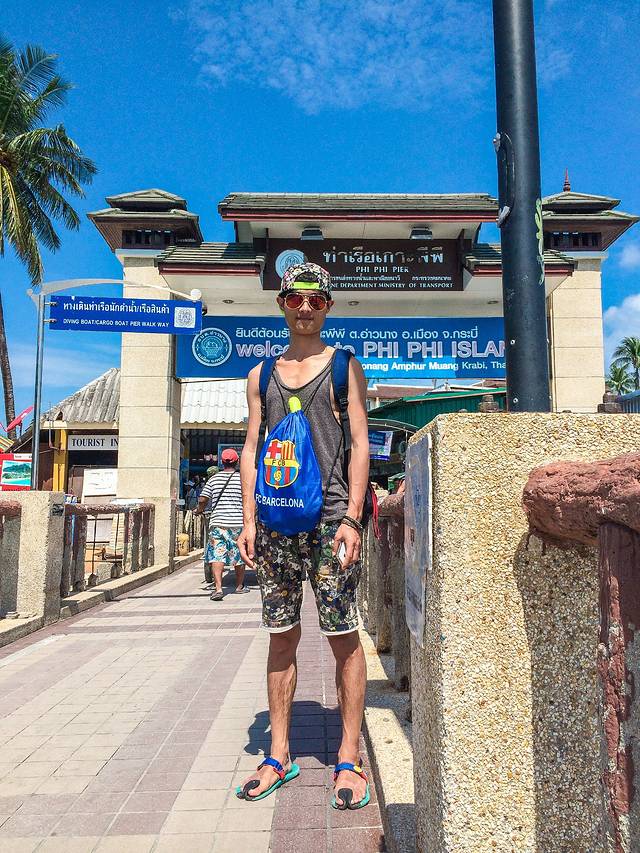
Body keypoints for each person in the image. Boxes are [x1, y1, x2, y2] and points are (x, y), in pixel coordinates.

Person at [236, 262, 370, 809]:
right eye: (296, 298)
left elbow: (360, 442)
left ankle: (348, 757)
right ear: (283, 304)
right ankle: (278, 754)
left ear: (328, 306)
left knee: (343, 637)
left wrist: (353, 517)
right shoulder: (260, 375)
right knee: (281, 636)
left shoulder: (344, 368)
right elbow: (251, 447)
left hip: (331, 522)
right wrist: (248, 519)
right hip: (276, 525)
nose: (306, 307)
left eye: (317, 299)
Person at [195, 448, 248, 600]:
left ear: (222, 462)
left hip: (218, 523)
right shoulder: (242, 479)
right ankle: (239, 586)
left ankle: (218, 589)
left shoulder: (214, 479)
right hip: (238, 523)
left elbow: (203, 499)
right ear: (237, 462)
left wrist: (199, 510)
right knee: (238, 554)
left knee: (217, 555)